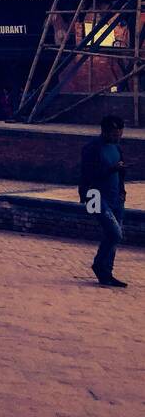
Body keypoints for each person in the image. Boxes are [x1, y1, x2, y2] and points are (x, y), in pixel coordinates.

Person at [80, 114, 129, 287]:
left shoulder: (117, 147)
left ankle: (106, 272)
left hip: (116, 197)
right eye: (114, 135)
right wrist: (111, 169)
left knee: (113, 236)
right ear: (105, 131)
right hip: (94, 196)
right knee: (115, 233)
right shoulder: (92, 148)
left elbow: (120, 171)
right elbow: (88, 175)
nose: (117, 138)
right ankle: (100, 266)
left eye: (120, 134)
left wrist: (122, 191)